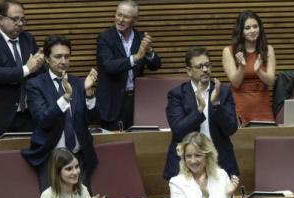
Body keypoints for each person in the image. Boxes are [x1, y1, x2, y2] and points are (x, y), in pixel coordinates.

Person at [23, 36, 100, 191]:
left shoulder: (78, 82)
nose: (63, 61)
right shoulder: (35, 84)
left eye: (67, 56)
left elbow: (93, 120)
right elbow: (43, 119)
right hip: (51, 159)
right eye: (58, 56)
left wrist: (89, 94)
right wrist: (66, 98)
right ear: (46, 58)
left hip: (78, 159)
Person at [163, 47, 239, 181]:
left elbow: (231, 129)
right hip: (186, 162)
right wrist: (199, 109)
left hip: (219, 160)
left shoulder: (223, 91)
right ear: (189, 71)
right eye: (199, 66)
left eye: (207, 65)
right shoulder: (177, 95)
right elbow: (179, 131)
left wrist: (216, 105)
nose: (205, 70)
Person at [0, 0, 44, 135]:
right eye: (15, 19)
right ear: (0, 19)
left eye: (23, 19)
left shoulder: (28, 39)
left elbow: (38, 71)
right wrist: (27, 69)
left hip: (28, 115)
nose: (20, 23)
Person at [96, 0, 162, 131]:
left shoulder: (141, 37)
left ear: (135, 20)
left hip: (137, 101)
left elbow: (155, 66)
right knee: (114, 144)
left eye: (125, 17)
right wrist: (136, 58)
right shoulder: (105, 37)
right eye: (118, 14)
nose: (120, 20)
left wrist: (149, 52)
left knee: (137, 142)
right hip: (112, 102)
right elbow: (109, 66)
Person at [221, 10, 276, 124]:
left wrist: (259, 71)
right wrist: (241, 66)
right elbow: (235, 83)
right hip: (239, 106)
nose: (252, 31)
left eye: (255, 26)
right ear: (241, 31)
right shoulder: (229, 51)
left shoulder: (268, 49)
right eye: (247, 28)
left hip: (262, 106)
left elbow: (271, 81)